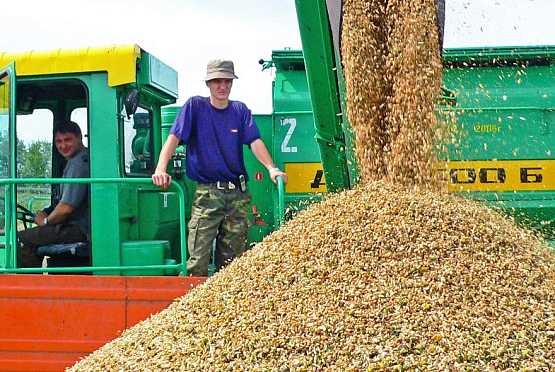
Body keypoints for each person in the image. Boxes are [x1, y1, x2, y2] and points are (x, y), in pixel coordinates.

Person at [152, 59, 288, 276]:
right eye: (217, 81)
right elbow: (174, 137)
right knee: (197, 261)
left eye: (227, 81)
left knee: (233, 267)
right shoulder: (195, 107)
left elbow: (255, 142)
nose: (222, 86)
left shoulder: (240, 110)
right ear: (208, 83)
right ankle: (192, 306)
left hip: (238, 195)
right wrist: (161, 169)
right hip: (208, 194)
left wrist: (272, 169)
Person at [18, 120, 90, 268]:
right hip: (82, 226)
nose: (63, 146)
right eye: (59, 141)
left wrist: (45, 222)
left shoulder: (78, 165)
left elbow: (66, 208)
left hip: (80, 229)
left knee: (23, 239)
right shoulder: (82, 159)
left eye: (68, 140)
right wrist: (47, 212)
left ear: (79, 137)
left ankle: (29, 289)